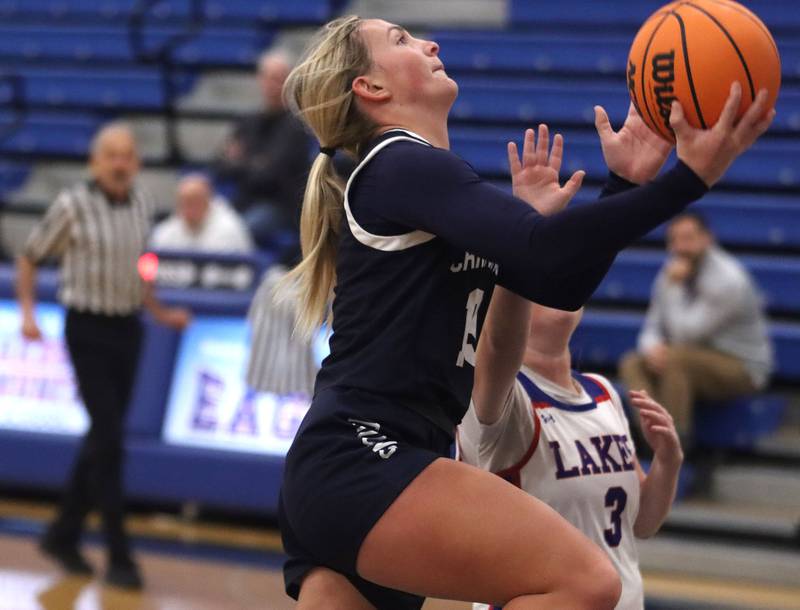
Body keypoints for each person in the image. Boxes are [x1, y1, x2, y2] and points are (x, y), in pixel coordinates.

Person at [277, 15, 773, 610]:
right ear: (371, 89)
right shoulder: (400, 162)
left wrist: (624, 185)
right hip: (369, 452)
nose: (431, 42)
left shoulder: (418, 180)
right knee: (586, 582)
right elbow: (546, 248)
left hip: (352, 465)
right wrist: (688, 181)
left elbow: (554, 283)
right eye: (402, 41)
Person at [15, 123, 191, 590]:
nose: (119, 163)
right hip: (87, 328)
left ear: (136, 163)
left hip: (128, 328)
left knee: (103, 435)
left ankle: (63, 533)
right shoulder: (71, 205)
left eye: (127, 155)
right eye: (111, 155)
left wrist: (159, 309)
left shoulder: (141, 204)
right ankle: (119, 553)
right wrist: (28, 315)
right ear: (95, 162)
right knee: (110, 439)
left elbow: (143, 263)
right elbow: (29, 257)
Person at [619, 212, 773, 448]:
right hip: (689, 355)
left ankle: (676, 445)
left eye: (688, 238)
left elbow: (687, 333)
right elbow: (653, 324)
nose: (680, 246)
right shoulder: (672, 270)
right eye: (675, 239)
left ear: (707, 239)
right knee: (632, 362)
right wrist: (650, 349)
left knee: (675, 359)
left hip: (741, 364)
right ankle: (652, 439)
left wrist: (673, 286)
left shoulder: (729, 279)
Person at [213, 50, 311, 251]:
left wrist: (241, 162)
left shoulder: (296, 128)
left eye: (278, 79)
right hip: (244, 200)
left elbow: (270, 176)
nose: (271, 85)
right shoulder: (247, 122)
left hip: (280, 207)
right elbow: (220, 166)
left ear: (288, 82)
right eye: (267, 78)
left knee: (237, 231)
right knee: (210, 225)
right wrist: (255, 163)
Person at [149, 173, 254, 253]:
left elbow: (242, 275)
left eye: (195, 201)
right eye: (183, 202)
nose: (188, 208)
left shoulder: (230, 229)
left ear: (208, 201)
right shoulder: (165, 232)